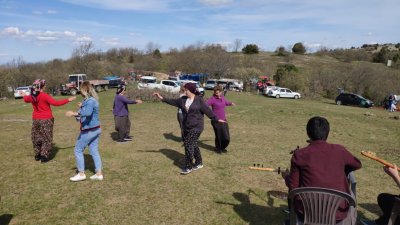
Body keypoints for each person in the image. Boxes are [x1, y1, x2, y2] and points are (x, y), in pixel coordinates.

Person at [283, 116, 362, 223]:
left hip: (306, 213)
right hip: (337, 214)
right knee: (350, 194)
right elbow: (357, 164)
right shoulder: (340, 150)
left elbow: (293, 186)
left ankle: (292, 219)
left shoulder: (299, 154)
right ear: (327, 132)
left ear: (308, 133)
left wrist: (286, 176)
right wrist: (340, 169)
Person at [153, 83, 223, 175]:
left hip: (197, 126)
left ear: (190, 90)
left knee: (188, 144)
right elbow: (171, 101)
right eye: (184, 89)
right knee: (193, 144)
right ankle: (199, 162)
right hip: (187, 126)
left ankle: (188, 166)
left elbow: (208, 111)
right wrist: (161, 97)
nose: (184, 91)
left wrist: (217, 119)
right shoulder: (182, 100)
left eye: (186, 90)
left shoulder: (199, 100)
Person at [23, 79, 76, 163]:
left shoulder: (32, 96)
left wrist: (23, 95)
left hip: (36, 120)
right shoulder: (44, 95)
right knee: (47, 138)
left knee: (36, 137)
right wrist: (68, 100)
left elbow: (26, 99)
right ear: (43, 86)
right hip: (46, 119)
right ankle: (44, 156)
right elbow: (56, 103)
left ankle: (37, 154)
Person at [66, 81, 103, 182]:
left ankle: (81, 173)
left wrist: (73, 113)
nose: (79, 92)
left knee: (78, 150)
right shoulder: (89, 100)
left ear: (85, 90)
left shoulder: (90, 101)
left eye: (81, 90)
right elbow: (85, 111)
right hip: (95, 129)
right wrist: (81, 107)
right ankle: (99, 174)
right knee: (94, 150)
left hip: (89, 131)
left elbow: (87, 112)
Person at [207, 86, 235, 153]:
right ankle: (218, 148)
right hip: (216, 120)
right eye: (216, 93)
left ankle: (222, 147)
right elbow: (205, 105)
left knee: (226, 136)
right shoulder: (212, 99)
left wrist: (231, 103)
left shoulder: (222, 97)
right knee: (219, 135)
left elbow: (226, 102)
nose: (217, 94)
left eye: (218, 93)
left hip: (224, 120)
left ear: (221, 92)